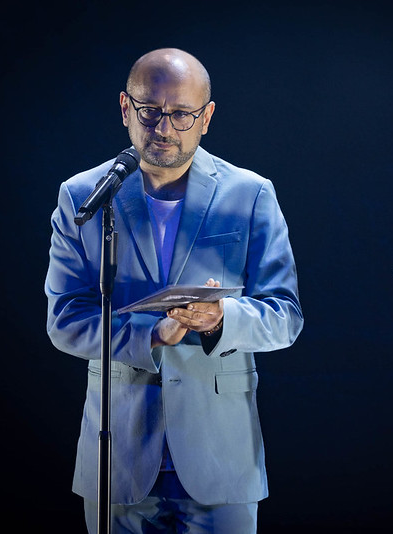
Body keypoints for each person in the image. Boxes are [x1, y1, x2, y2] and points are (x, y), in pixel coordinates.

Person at [45, 48, 303, 533]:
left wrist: (222, 317)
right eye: (150, 111)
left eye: (181, 114)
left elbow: (285, 315)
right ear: (126, 108)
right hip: (117, 453)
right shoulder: (83, 196)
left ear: (206, 117)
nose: (164, 128)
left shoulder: (249, 193)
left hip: (220, 453)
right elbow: (65, 321)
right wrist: (149, 335)